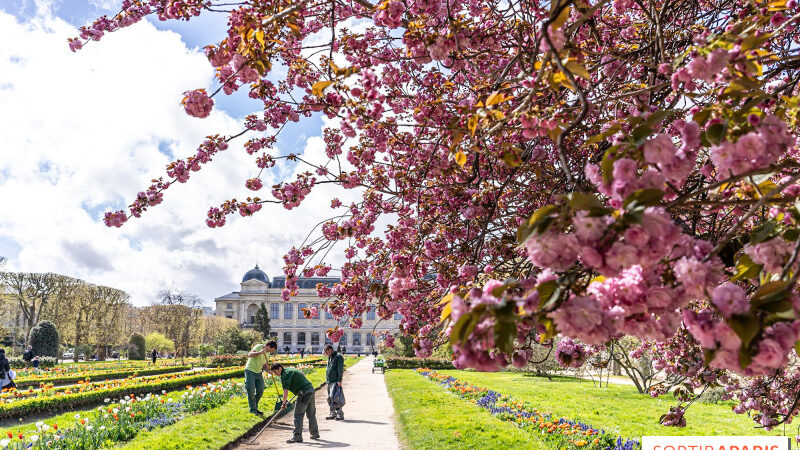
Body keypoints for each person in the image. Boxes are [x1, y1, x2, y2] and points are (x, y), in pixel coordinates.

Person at [271, 363, 319, 443]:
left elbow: (285, 391)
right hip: (310, 389)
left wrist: (283, 404)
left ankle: (297, 436)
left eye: (275, 372)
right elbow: (302, 374)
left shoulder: (284, 375)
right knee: (311, 413)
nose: (276, 374)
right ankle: (315, 433)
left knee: (298, 415)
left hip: (304, 393)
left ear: (279, 368)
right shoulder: (289, 369)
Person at [245, 340, 277, 415]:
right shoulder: (259, 346)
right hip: (250, 371)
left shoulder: (268, 354)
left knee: (260, 390)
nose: (271, 352)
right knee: (251, 391)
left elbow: (264, 366)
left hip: (258, 372)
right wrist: (260, 352)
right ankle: (253, 410)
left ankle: (254, 407)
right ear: (269, 346)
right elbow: (250, 354)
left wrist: (268, 371)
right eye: (272, 350)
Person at [324, 344, 344, 420]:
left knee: (336, 398)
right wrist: (327, 380)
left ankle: (340, 414)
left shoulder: (338, 357)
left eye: (326, 352)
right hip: (329, 381)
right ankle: (332, 413)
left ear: (330, 350)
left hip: (335, 381)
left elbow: (340, 369)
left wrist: (339, 380)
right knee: (330, 398)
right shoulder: (330, 357)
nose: (325, 354)